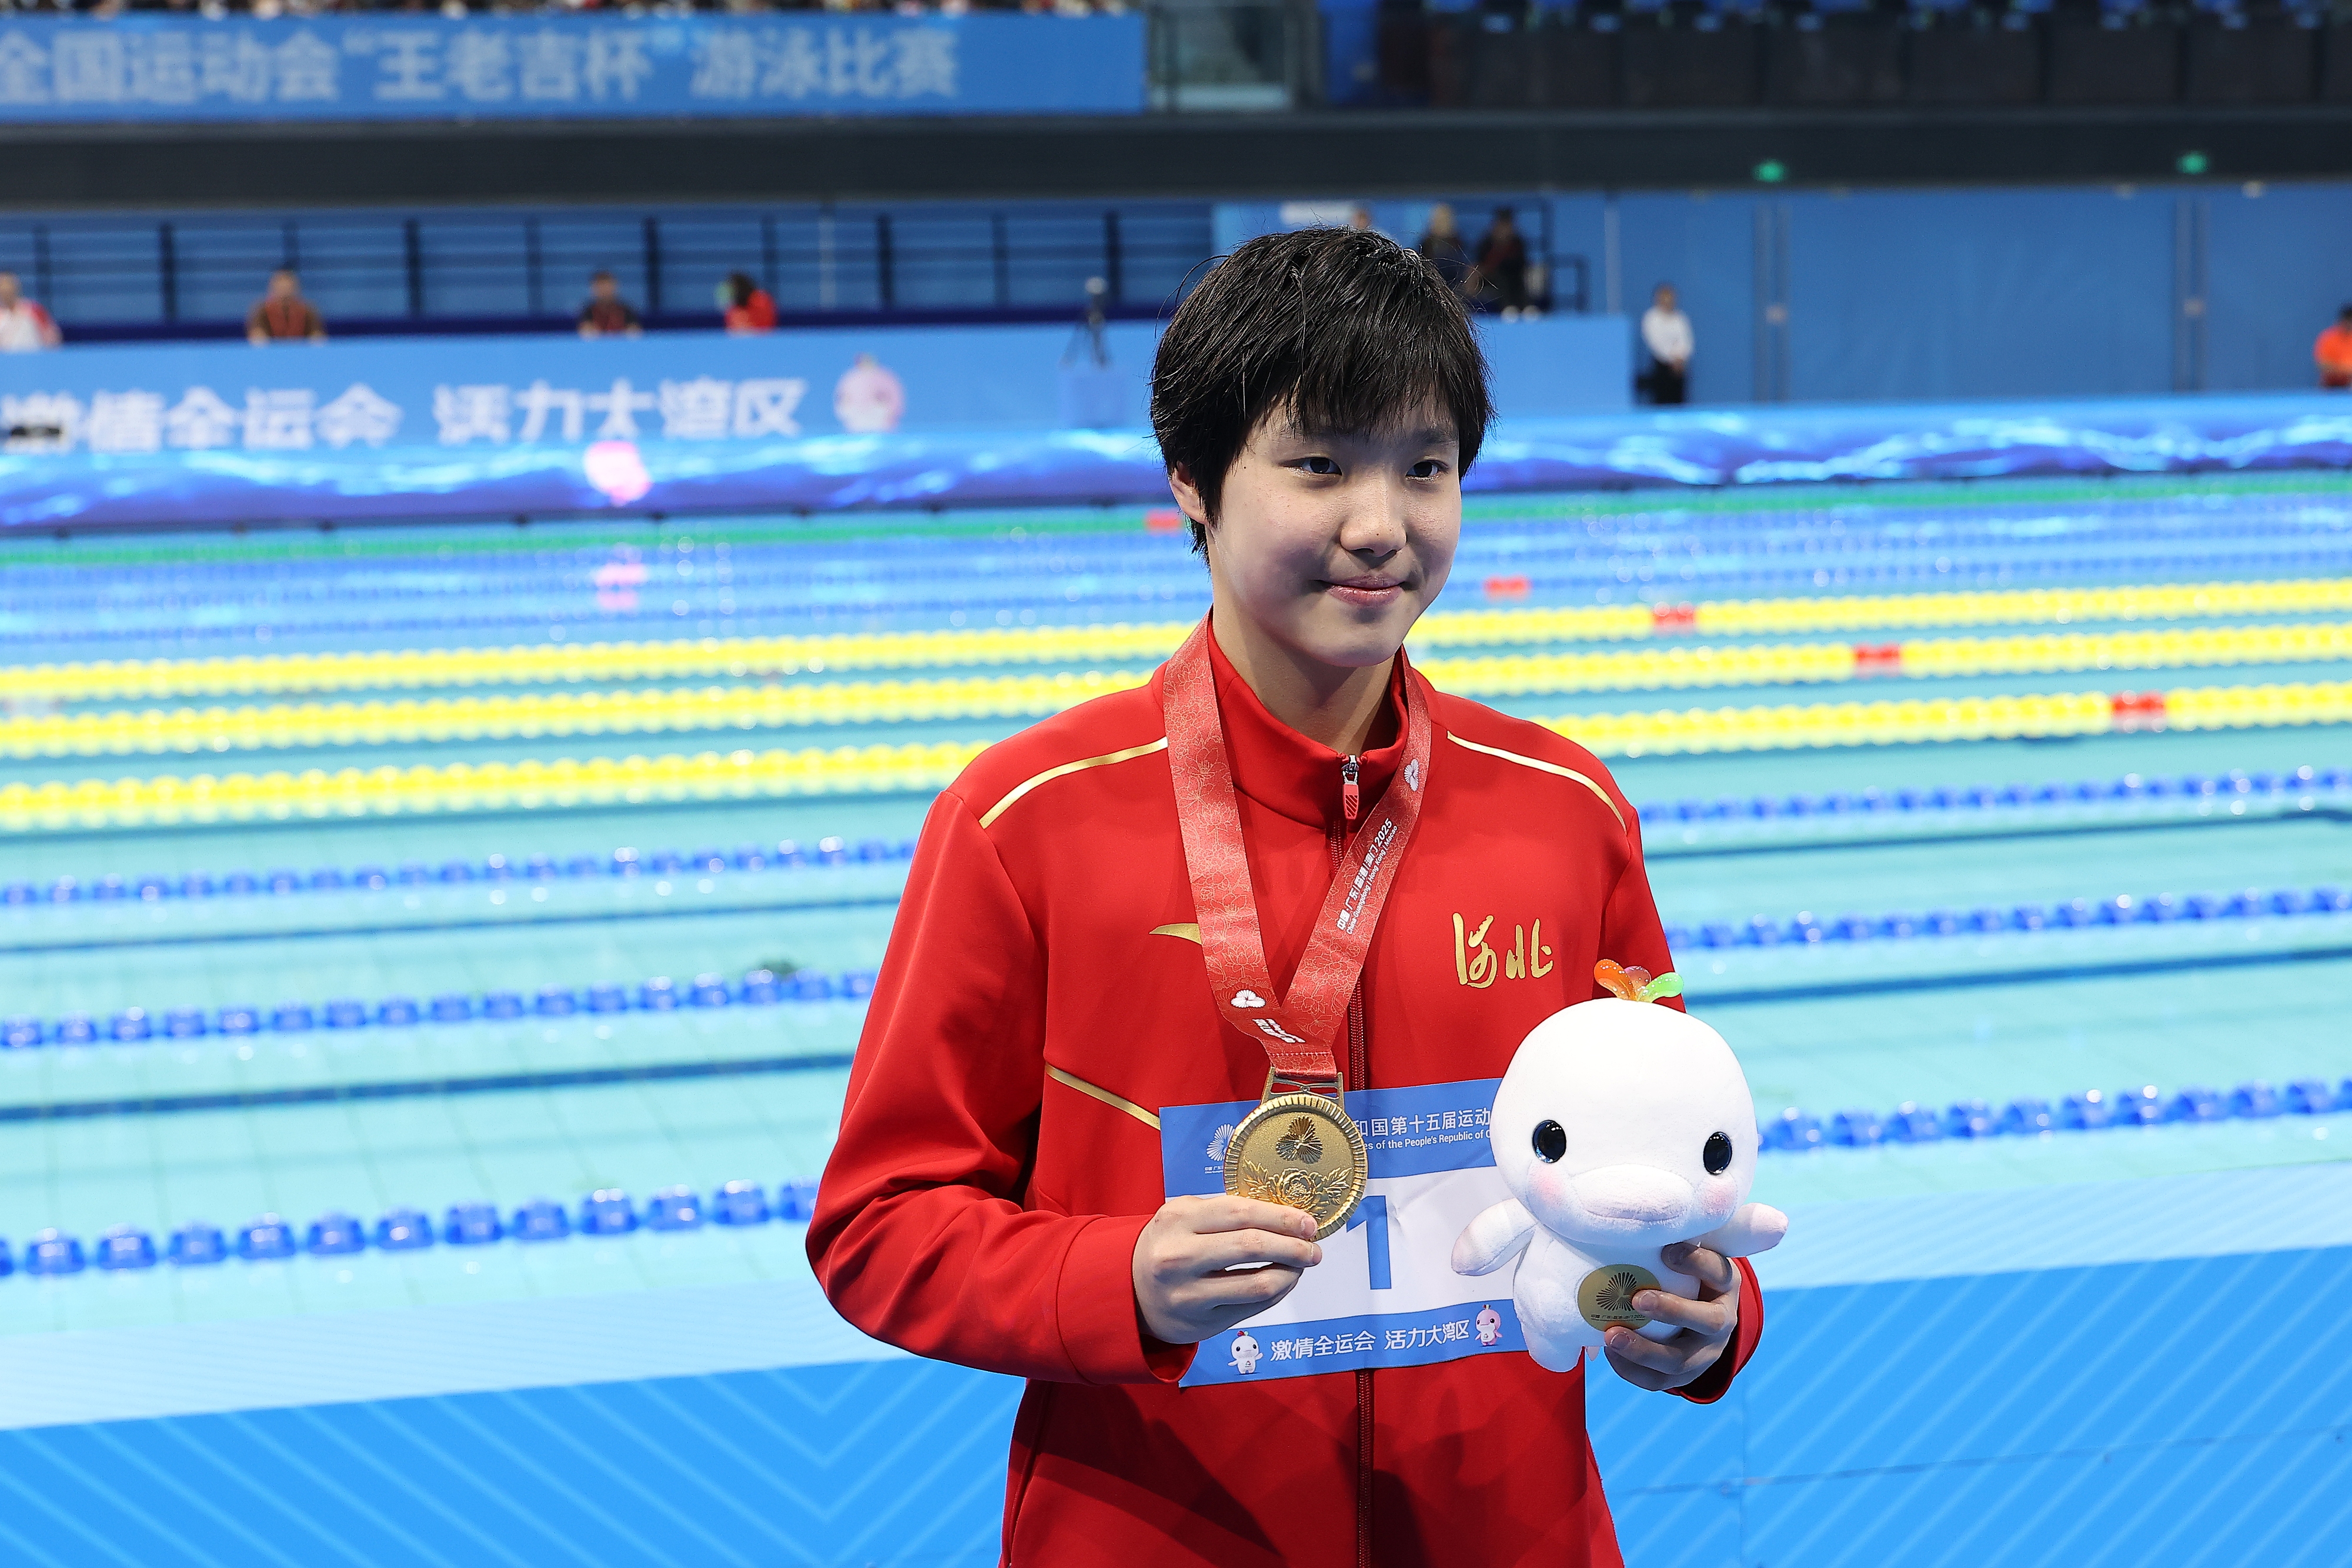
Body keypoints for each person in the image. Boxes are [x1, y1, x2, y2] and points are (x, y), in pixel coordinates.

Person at [808, 227, 1763, 1567]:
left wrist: (1709, 1314)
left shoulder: (1565, 812)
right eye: (1318, 464)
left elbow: (1675, 1173)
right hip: (1154, 1530)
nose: (1379, 524)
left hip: (1506, 1531)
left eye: (1423, 469)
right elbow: (880, 1225)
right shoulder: (1026, 822)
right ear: (1192, 482)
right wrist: (1114, 1282)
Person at [1471, 205, 1531, 318]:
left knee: (1517, 278)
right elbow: (1481, 264)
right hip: (1490, 277)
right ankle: (1507, 307)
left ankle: (1526, 307)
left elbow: (1522, 263)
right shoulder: (1487, 243)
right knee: (1502, 277)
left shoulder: (1517, 242)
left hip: (1514, 276)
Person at [1639, 283, 1694, 406]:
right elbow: (1655, 342)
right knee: (1662, 402)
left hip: (1679, 367)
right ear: (1658, 299)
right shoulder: (1651, 318)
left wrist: (1680, 358)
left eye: (1670, 297)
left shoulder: (1680, 319)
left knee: (1678, 402)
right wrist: (1671, 357)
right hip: (1661, 366)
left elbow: (1687, 341)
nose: (1667, 301)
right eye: (1664, 297)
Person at [246, 269, 325, 346]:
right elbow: (257, 336)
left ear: (296, 287)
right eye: (280, 283)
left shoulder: (307, 310)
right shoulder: (262, 310)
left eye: (288, 284)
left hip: (300, 354)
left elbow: (317, 336)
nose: (284, 288)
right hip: (272, 355)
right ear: (272, 286)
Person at [1414, 203, 1473, 298]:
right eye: (1438, 220)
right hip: (1429, 292)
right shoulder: (1425, 245)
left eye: (1444, 220)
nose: (1441, 224)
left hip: (1455, 292)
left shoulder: (1459, 245)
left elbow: (1463, 271)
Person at [0, 271, 61, 352]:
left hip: (33, 360)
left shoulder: (34, 310)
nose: (6, 289)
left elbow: (53, 340)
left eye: (8, 285)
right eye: (2, 285)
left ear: (16, 287)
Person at [577, 270, 642, 339]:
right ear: (594, 289)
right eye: (601, 287)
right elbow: (584, 333)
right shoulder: (587, 312)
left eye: (607, 287)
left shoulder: (627, 311)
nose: (604, 291)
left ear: (614, 287)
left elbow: (635, 333)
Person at [721, 271, 776, 335]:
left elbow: (766, 325)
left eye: (734, 287)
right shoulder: (734, 309)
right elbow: (732, 328)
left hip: (763, 337)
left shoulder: (760, 299)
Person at [2316, 304, 2352, 390]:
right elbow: (2322, 364)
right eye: (2348, 321)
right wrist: (2343, 369)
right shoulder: (2328, 338)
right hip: (2331, 383)